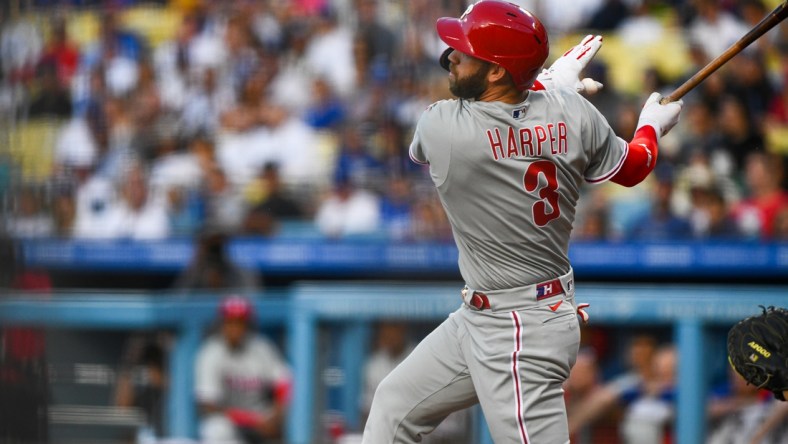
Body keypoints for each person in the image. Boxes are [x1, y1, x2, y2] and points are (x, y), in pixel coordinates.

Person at [362, 2, 683, 442]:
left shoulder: (444, 129)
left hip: (520, 326)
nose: (451, 56)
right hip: (484, 315)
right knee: (394, 405)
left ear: (496, 73)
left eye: (464, 50)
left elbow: (488, 125)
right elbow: (634, 167)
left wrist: (547, 82)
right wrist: (650, 126)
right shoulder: (575, 113)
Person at [194, 295, 291, 444]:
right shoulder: (210, 353)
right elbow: (208, 405)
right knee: (215, 428)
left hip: (264, 418)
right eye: (230, 322)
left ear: (247, 325)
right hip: (231, 421)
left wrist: (277, 416)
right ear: (222, 324)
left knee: (294, 416)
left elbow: (284, 383)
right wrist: (250, 421)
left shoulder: (261, 348)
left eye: (240, 322)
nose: (235, 328)